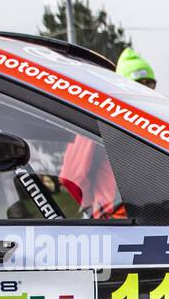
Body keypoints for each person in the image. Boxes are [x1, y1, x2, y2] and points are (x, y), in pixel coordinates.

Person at [59, 46, 158, 220]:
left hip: (142, 220)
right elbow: (72, 176)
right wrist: (96, 210)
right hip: (116, 222)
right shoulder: (100, 122)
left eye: (149, 84)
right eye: (139, 84)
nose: (145, 91)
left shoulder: (151, 128)